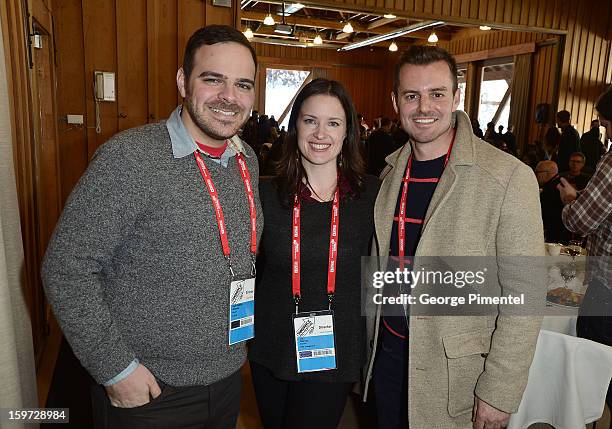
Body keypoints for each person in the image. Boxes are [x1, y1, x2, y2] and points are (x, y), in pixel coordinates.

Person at [42, 25, 263, 429]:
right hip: (149, 391)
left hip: (227, 378)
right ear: (183, 81)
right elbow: (66, 268)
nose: (229, 96)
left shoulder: (244, 157)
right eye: (213, 79)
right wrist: (115, 369)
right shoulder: (130, 159)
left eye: (243, 84)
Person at [363, 45, 544, 429]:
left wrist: (499, 389)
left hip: (457, 373)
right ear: (396, 102)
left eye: (437, 94)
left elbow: (525, 296)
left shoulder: (507, 177)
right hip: (389, 356)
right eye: (412, 96)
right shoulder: (388, 174)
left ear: (456, 97)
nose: (424, 106)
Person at [249, 78, 378, 429]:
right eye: (310, 121)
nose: (321, 133)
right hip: (271, 347)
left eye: (333, 123)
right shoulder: (265, 196)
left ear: (348, 132)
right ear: (295, 127)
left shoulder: (372, 198)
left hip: (334, 352)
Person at [558, 86, 612, 414]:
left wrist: (569, 202)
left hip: (607, 285)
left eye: (606, 124)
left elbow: (581, 220)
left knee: (596, 371)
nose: (605, 131)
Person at [535, 160, 571, 243]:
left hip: (555, 237)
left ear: (547, 173)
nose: (535, 175)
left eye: (537, 172)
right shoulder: (562, 183)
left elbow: (542, 216)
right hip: (564, 233)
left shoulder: (550, 190)